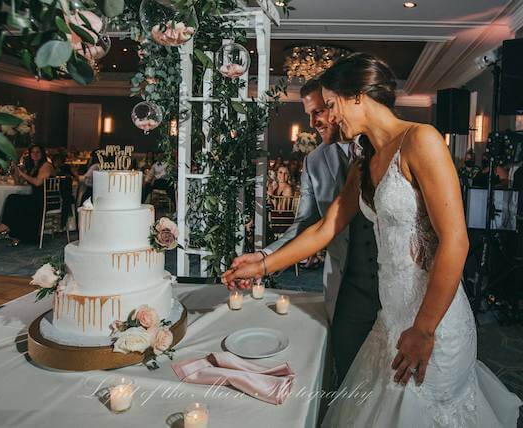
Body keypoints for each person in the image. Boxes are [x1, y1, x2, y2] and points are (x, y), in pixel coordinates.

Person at [222, 53, 522, 426]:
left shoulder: (421, 140)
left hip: (434, 323)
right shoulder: (365, 159)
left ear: (358, 96)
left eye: (331, 105)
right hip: (391, 319)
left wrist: (424, 328)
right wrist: (262, 263)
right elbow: (326, 227)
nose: (328, 117)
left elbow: (456, 242)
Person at [229, 74, 379, 387]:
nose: (313, 122)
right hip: (340, 280)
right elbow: (308, 223)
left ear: (340, 104)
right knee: (347, 366)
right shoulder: (315, 161)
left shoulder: (383, 149)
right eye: (308, 113)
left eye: (319, 112)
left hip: (389, 283)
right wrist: (263, 254)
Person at [0, 144, 55, 246]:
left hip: (45, 199)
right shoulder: (33, 167)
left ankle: (7, 227)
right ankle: (14, 233)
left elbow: (38, 182)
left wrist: (23, 174)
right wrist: (16, 170)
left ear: (42, 154)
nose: (35, 154)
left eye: (38, 152)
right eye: (33, 152)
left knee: (15, 200)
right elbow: (18, 183)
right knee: (14, 199)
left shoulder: (46, 165)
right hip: (36, 198)